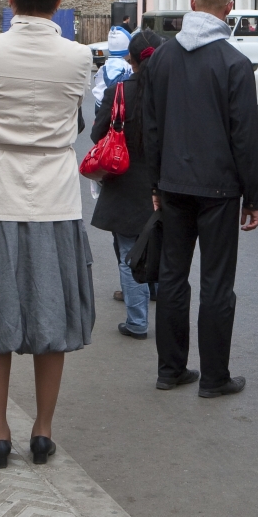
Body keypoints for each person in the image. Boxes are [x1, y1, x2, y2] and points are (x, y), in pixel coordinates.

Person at [0, 0, 94, 470]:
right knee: (49, 317)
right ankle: (43, 430)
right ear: (60, 0)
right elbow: (77, 118)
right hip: (55, 199)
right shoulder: (81, 58)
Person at [142, 0, 258, 398]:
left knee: (172, 277)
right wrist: (254, 196)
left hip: (172, 184)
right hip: (219, 190)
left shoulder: (162, 58)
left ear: (192, 3)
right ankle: (214, 377)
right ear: (228, 10)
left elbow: (150, 127)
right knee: (216, 283)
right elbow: (245, 137)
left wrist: (155, 182)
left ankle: (170, 370)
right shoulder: (234, 63)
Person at [91, 29, 163, 339]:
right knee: (161, 244)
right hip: (164, 183)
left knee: (128, 252)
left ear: (130, 59)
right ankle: (155, 290)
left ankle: (137, 322)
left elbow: (97, 135)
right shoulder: (172, 93)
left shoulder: (119, 92)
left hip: (125, 183)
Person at [91, 25, 132, 113]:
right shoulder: (116, 64)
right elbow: (113, 82)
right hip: (106, 105)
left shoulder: (111, 62)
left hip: (104, 103)